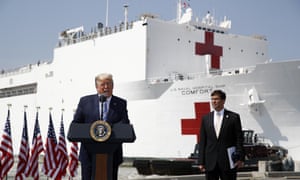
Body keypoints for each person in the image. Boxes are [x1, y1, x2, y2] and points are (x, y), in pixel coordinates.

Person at [72, 73, 130, 180]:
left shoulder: (121, 103)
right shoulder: (85, 102)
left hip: (112, 153)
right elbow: (76, 124)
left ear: (113, 86)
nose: (106, 87)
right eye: (103, 84)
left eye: (109, 84)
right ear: (97, 87)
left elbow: (124, 123)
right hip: (88, 153)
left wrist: (108, 129)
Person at [198, 90, 244, 180]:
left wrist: (240, 158)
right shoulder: (206, 118)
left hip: (228, 161)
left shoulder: (233, 117)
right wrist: (201, 161)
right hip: (210, 161)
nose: (213, 101)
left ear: (223, 101)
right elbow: (203, 141)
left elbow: (239, 139)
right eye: (212, 99)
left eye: (216, 99)